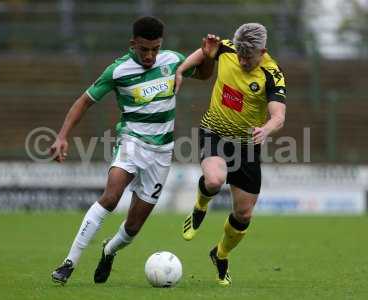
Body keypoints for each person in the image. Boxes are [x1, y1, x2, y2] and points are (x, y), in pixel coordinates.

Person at [50, 16, 215, 285]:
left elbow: (205, 74)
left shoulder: (172, 60)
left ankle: (108, 250)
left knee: (133, 227)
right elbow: (84, 102)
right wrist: (62, 136)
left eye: (155, 49)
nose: (150, 55)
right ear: (133, 44)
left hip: (162, 152)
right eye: (144, 49)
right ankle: (69, 262)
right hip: (131, 142)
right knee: (111, 196)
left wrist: (208, 57)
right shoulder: (117, 71)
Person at [175, 23, 287, 286]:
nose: (242, 60)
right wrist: (181, 69)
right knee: (214, 180)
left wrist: (267, 129)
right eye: (240, 55)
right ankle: (200, 206)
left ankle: (220, 254)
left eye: (248, 57)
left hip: (247, 145)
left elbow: (278, 116)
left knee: (243, 215)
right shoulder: (226, 47)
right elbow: (204, 53)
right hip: (215, 131)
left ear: (263, 51)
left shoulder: (272, 74)